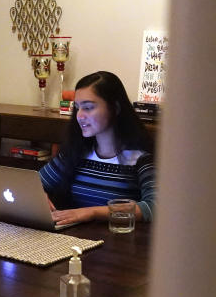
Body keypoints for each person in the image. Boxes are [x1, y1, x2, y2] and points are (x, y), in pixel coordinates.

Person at [39, 71, 156, 226]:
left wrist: (90, 212)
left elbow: (153, 207)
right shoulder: (76, 152)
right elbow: (34, 183)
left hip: (120, 243)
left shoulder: (142, 159)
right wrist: (39, 195)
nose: (79, 116)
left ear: (115, 108)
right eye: (77, 108)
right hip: (74, 241)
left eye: (88, 107)